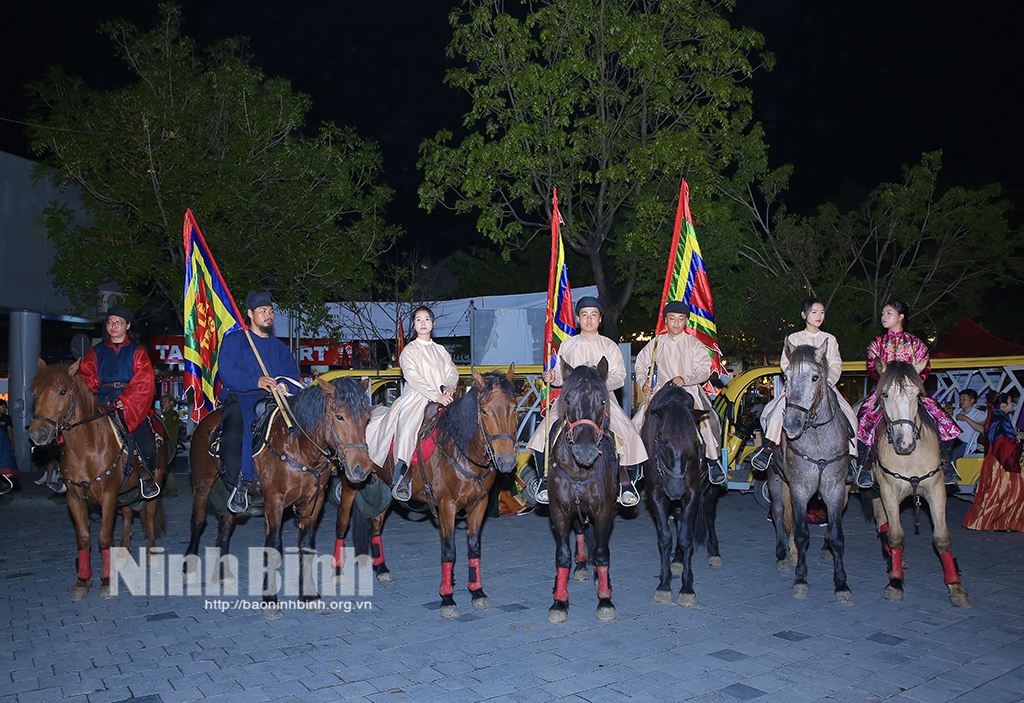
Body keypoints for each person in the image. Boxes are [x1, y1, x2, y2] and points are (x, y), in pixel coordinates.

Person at [526, 297, 649, 506]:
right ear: (578, 319)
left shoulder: (609, 346)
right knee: (540, 435)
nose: (589, 319)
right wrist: (552, 377)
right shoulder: (568, 344)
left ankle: (626, 484)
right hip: (571, 400)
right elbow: (560, 376)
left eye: (593, 315)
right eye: (584, 315)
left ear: (600, 319)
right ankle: (544, 481)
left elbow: (619, 377)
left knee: (629, 433)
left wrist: (597, 386)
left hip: (601, 398)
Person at [853, 301, 960, 488]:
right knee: (864, 417)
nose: (884, 317)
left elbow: (925, 369)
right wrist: (889, 383)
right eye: (883, 314)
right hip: (885, 390)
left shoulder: (916, 343)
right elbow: (872, 367)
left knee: (943, 418)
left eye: (889, 313)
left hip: (910, 391)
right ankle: (865, 466)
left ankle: (946, 462)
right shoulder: (877, 343)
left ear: (901, 317)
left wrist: (910, 385)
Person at [750, 299, 858, 476]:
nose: (819, 316)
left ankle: (851, 457)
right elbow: (785, 363)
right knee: (775, 414)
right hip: (798, 387)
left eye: (822, 312)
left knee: (850, 416)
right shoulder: (794, 338)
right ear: (804, 315)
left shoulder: (829, 339)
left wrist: (829, 381)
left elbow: (836, 364)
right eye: (814, 312)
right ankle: (768, 449)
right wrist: (797, 378)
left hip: (823, 386)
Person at [366, 305, 458, 502]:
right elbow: (413, 377)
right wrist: (435, 396)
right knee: (407, 427)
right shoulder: (409, 351)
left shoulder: (440, 350)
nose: (423, 323)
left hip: (443, 396)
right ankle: (402, 473)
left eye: (426, 319)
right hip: (416, 397)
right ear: (414, 325)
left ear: (433, 323)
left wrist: (450, 386)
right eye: (418, 320)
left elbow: (452, 370)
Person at [219, 291, 300, 513]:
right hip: (241, 397)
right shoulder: (234, 341)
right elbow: (227, 371)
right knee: (234, 435)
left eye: (271, 311)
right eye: (263, 311)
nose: (268, 315)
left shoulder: (279, 347)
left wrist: (285, 386)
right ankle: (238, 483)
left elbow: (291, 373)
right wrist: (255, 380)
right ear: (249, 314)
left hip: (273, 400)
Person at [633, 301, 727, 485]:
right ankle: (635, 464)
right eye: (672, 318)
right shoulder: (657, 342)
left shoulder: (694, 344)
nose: (676, 323)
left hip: (689, 390)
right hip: (663, 391)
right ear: (666, 320)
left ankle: (713, 462)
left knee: (707, 422)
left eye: (680, 319)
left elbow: (704, 370)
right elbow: (641, 363)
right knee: (637, 421)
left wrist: (686, 379)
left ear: (686, 321)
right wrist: (643, 382)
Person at [76, 307, 160, 499]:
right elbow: (85, 378)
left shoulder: (138, 351)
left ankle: (146, 477)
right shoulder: (95, 352)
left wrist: (127, 400)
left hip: (130, 402)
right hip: (101, 401)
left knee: (146, 442)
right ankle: (67, 473)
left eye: (118, 323)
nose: (113, 326)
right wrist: (93, 399)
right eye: (110, 322)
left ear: (127, 325)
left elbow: (144, 380)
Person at [962, 392, 1024, 532]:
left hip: (995, 458)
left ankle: (999, 521)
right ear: (1003, 405)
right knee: (1008, 491)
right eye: (1010, 402)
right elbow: (1003, 442)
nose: (1013, 405)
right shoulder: (1000, 419)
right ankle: (1002, 522)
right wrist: (1016, 445)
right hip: (1002, 459)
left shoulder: (995, 416)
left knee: (995, 492)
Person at [952, 389, 986, 463]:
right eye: (960, 399)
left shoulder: (979, 414)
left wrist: (965, 418)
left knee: (952, 456)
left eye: (964, 399)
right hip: (954, 441)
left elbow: (981, 429)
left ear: (972, 401)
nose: (961, 401)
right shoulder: (955, 412)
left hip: (966, 444)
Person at [0, 399, 17, 495]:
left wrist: (12, 444)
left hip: (3, 444)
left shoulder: (6, 418)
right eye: (3, 407)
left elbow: (10, 431)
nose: (5, 409)